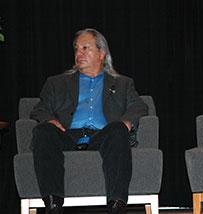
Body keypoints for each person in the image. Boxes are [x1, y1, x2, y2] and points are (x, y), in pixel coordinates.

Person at [30, 28, 148, 214]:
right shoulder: (57, 83)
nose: (79, 53)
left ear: (102, 53)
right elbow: (40, 109)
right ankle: (53, 204)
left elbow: (139, 107)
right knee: (43, 131)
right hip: (67, 135)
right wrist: (50, 120)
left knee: (118, 129)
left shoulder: (123, 84)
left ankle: (117, 205)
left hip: (102, 136)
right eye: (77, 49)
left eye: (86, 48)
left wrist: (126, 122)